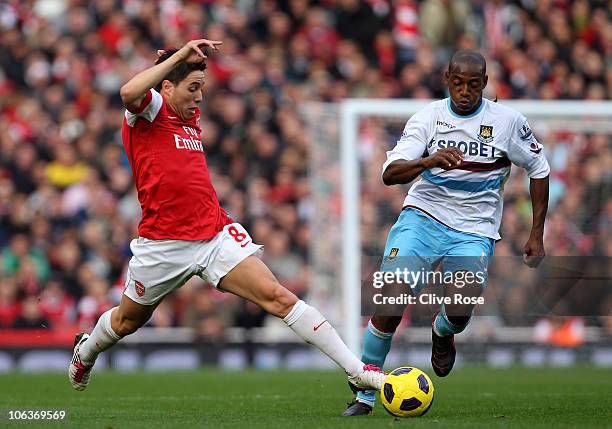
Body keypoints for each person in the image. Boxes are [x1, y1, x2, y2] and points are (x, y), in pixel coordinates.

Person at [68, 38, 386, 393]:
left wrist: (183, 64)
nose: (200, 97)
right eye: (193, 88)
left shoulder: (190, 117)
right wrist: (177, 56)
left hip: (213, 235)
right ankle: (88, 351)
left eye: (202, 88)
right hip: (163, 243)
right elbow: (128, 92)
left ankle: (356, 370)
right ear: (168, 87)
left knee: (279, 297)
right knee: (128, 322)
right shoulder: (152, 109)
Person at [342, 49, 550, 416]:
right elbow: (390, 174)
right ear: (446, 79)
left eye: (473, 84)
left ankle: (443, 329)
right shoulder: (428, 119)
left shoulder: (507, 122)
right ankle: (365, 391)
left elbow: (539, 168)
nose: (465, 91)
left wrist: (536, 234)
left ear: (485, 83)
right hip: (423, 216)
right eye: (458, 83)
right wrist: (427, 160)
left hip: (475, 228)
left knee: (460, 305)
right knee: (391, 295)